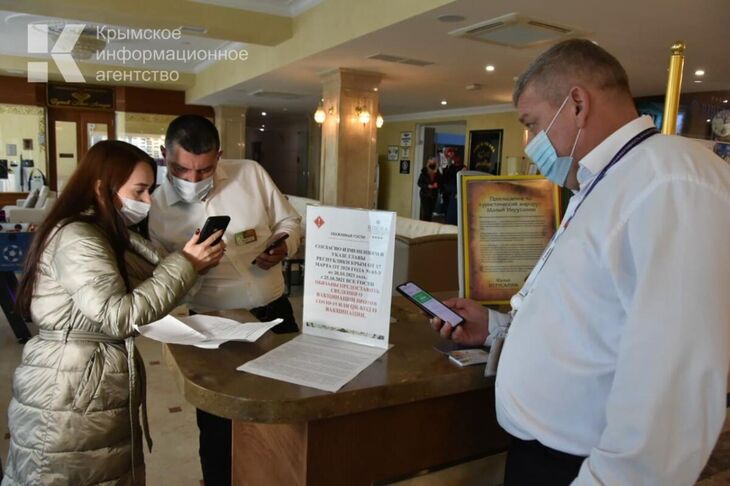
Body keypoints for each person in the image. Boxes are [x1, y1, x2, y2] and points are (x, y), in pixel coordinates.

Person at [430, 39, 730, 485]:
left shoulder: (671, 182)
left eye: (531, 124)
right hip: (540, 456)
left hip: (585, 468)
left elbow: (673, 388)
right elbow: (586, 318)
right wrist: (494, 328)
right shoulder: (600, 182)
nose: (529, 144)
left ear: (576, 104)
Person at [2, 140, 224, 485]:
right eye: (139, 190)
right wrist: (185, 264)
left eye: (150, 191)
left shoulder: (110, 233)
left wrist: (194, 265)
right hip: (69, 386)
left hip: (90, 380)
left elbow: (152, 288)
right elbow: (118, 315)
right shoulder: (78, 237)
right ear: (101, 188)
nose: (147, 201)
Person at [148, 114, 301, 486]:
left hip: (274, 311)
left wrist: (284, 245)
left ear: (219, 156)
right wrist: (192, 267)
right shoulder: (153, 207)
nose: (192, 179)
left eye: (204, 170)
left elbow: (290, 221)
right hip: (211, 322)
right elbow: (161, 281)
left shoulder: (250, 174)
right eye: (181, 169)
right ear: (165, 154)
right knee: (218, 425)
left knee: (288, 411)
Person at [417, 156, 442, 221]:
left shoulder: (437, 172)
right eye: (430, 163)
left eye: (433, 163)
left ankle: (429, 224)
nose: (432, 164)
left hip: (433, 195)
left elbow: (441, 182)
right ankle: (424, 225)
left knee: (430, 212)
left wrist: (437, 185)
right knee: (426, 212)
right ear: (428, 163)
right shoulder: (424, 172)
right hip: (424, 195)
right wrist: (428, 186)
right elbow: (419, 183)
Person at [443, 155, 464, 225]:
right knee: (448, 209)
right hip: (451, 191)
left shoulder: (461, 168)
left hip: (455, 191)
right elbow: (446, 181)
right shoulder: (449, 168)